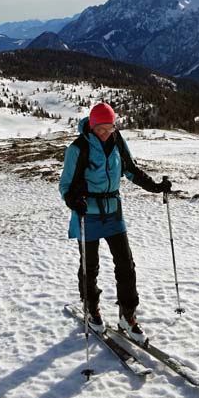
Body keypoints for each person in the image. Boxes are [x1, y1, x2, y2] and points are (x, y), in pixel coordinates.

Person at [59, 102, 171, 344]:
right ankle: (91, 309)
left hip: (113, 211)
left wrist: (156, 187)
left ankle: (127, 315)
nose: (105, 132)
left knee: (126, 264)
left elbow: (131, 170)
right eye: (100, 128)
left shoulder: (118, 141)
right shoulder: (78, 148)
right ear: (91, 125)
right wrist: (73, 201)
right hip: (87, 214)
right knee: (90, 266)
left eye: (109, 127)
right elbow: (65, 185)